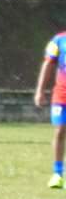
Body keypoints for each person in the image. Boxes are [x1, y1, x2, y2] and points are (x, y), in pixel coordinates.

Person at [35, 28, 66, 189]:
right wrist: (40, 90)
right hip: (62, 95)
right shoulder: (59, 40)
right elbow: (47, 64)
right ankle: (57, 174)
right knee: (60, 130)